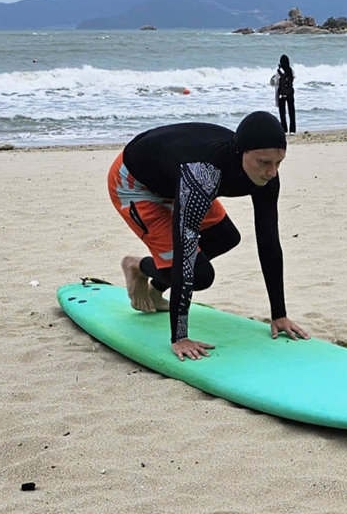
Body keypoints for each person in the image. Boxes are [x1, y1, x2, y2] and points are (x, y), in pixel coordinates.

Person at [108, 112, 311, 360]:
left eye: (279, 163)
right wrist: (180, 338)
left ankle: (155, 288)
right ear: (242, 153)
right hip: (137, 184)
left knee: (226, 237)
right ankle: (137, 266)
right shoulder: (203, 174)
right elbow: (185, 248)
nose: (271, 172)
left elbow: (269, 240)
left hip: (176, 177)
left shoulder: (266, 176)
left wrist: (279, 314)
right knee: (201, 276)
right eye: (264, 163)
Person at [273, 55, 297, 133]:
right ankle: (292, 130)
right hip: (290, 93)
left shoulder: (279, 71)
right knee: (291, 112)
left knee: (282, 113)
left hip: (281, 94)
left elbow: (276, 82)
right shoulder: (291, 70)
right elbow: (293, 78)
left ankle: (284, 129)